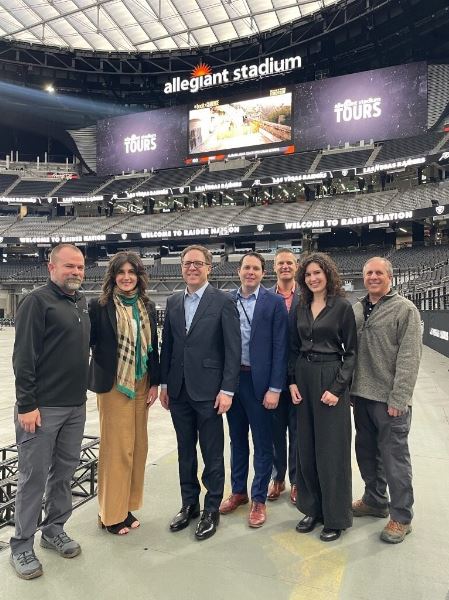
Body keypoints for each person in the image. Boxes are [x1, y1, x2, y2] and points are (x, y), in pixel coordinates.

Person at [10, 244, 90, 579]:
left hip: (75, 406)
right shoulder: (36, 302)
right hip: (41, 409)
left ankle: (54, 529)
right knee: (33, 477)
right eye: (69, 266)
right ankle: (22, 544)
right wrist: (27, 404)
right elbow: (23, 357)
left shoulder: (81, 303)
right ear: (51, 267)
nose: (76, 272)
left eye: (81, 267)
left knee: (63, 474)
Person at [160, 245, 241, 541]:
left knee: (212, 453)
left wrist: (227, 389)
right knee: (185, 452)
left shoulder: (222, 301)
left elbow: (233, 350)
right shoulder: (172, 301)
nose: (192, 268)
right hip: (179, 390)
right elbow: (167, 346)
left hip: (209, 392)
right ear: (181, 267)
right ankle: (189, 503)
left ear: (209, 267)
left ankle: (211, 509)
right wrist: (165, 385)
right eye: (187, 263)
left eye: (198, 263)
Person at [351, 257, 422, 543]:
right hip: (362, 398)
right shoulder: (357, 309)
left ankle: (402, 516)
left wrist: (399, 398)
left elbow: (409, 358)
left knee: (395, 461)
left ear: (389, 277)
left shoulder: (404, 309)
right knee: (367, 455)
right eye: (369, 273)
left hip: (390, 401)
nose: (373, 277)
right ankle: (375, 500)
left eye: (379, 272)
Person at [88, 251, 160, 535]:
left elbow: (153, 345)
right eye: (121, 272)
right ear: (113, 276)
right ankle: (110, 515)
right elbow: (90, 343)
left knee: (137, 447)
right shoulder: (99, 306)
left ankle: (125, 506)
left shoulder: (147, 306)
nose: (127, 277)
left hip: (141, 382)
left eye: (132, 272)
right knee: (116, 449)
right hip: (115, 384)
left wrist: (155, 381)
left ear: (139, 277)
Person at [289, 252, 357, 542]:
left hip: (330, 376)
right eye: (308, 274)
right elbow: (292, 347)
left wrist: (338, 388)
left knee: (332, 451)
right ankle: (312, 509)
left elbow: (352, 353)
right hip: (303, 376)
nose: (313, 278)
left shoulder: (342, 307)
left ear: (328, 275)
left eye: (318, 273)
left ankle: (335, 516)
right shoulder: (300, 306)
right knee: (306, 448)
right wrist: (292, 381)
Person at [220, 252, 288, 528]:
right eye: (246, 267)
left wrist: (275, 388)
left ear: (263, 273)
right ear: (239, 271)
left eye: (256, 269)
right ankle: (239, 491)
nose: (251, 272)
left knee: (262, 444)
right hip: (233, 383)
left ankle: (258, 497)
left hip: (260, 384)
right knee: (237, 440)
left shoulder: (274, 302)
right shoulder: (227, 300)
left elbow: (280, 348)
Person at [267, 248, 300, 504]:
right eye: (281, 263)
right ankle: (277, 478)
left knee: (299, 432)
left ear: (296, 266)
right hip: (275, 377)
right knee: (276, 432)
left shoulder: (308, 296)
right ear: (274, 268)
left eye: (290, 262)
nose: (285, 266)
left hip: (301, 378)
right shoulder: (266, 298)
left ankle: (297, 481)